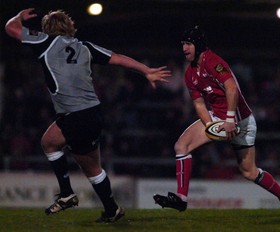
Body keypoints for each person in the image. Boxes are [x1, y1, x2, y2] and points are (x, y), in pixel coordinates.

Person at [5, 8, 170, 223]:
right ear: (69, 27)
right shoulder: (85, 47)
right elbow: (118, 58)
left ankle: (109, 209)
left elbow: (11, 28)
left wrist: (18, 16)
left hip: (77, 116)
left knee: (92, 169)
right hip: (85, 112)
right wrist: (146, 70)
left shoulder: (44, 42)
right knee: (49, 142)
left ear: (48, 29)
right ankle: (71, 195)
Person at [153, 25, 280, 217]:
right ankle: (181, 198)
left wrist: (229, 119)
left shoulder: (213, 61)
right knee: (181, 146)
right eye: (182, 44)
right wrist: (210, 126)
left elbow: (232, 88)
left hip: (241, 122)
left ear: (198, 44)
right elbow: (200, 105)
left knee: (249, 172)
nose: (184, 48)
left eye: (188, 44)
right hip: (219, 118)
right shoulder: (190, 73)